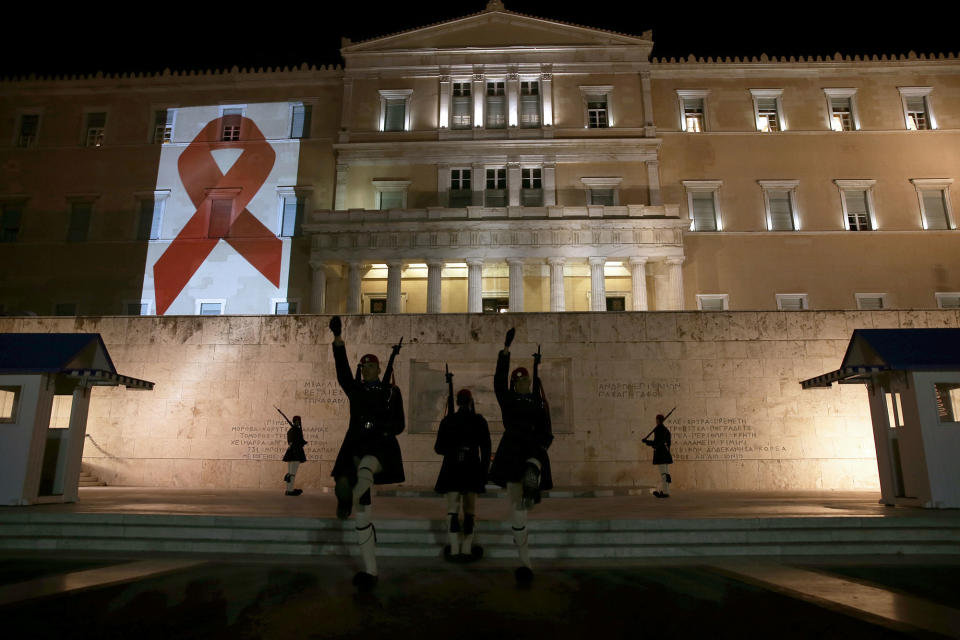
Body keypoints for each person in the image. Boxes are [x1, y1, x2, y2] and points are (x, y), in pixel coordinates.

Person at [328, 315, 405, 591]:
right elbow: (342, 372)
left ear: (379, 367)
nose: (369, 369)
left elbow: (400, 424)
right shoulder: (357, 390)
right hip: (356, 444)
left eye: (372, 365)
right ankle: (370, 571)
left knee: (366, 468)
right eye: (365, 366)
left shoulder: (391, 392)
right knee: (363, 518)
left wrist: (382, 428)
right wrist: (338, 340)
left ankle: (350, 493)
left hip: (380, 446)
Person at [489, 327, 553, 585]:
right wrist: (505, 351)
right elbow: (497, 381)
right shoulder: (508, 400)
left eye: (526, 381)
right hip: (513, 450)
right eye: (519, 382)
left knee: (532, 467)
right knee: (518, 513)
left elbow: (548, 432)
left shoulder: (538, 403)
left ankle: (532, 477)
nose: (523, 384)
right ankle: (524, 562)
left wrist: (539, 452)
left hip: (533, 450)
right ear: (515, 385)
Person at [434, 366, 491, 561]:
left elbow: (438, 449)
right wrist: (484, 471)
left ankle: (455, 549)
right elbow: (486, 449)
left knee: (452, 511)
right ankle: (466, 549)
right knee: (469, 512)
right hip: (472, 468)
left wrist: (452, 445)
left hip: (452, 467)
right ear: (471, 402)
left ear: (457, 403)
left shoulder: (448, 421)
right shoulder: (479, 421)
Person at [642, 414, 673, 498]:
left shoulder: (659, 430)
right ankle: (666, 491)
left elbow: (657, 443)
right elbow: (668, 441)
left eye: (656, 420)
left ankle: (665, 492)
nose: (656, 421)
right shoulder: (665, 430)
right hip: (665, 453)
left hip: (661, 454)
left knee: (663, 474)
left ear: (658, 420)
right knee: (665, 474)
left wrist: (647, 442)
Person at [277, 409, 307, 496]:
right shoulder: (296, 430)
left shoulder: (291, 430)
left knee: (290, 473)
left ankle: (288, 489)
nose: (298, 423)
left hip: (291, 453)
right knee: (292, 473)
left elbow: (290, 441)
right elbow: (296, 442)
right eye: (297, 421)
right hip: (296, 453)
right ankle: (290, 491)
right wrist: (302, 442)